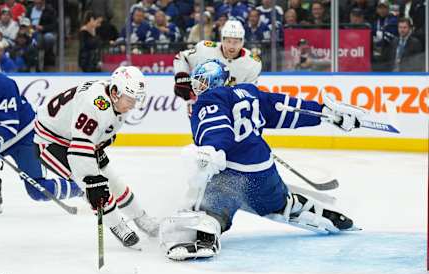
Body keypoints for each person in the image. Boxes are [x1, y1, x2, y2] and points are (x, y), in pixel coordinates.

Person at [159, 59, 363, 261]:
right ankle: (302, 208)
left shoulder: (209, 99)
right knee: (276, 202)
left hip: (235, 173)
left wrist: (213, 150)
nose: (198, 87)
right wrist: (323, 113)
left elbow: (217, 128)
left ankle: (205, 236)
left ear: (216, 81)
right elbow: (284, 109)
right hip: (265, 170)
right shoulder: (250, 91)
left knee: (213, 204)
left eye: (203, 82)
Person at [33, 66, 159, 247]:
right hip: (52, 143)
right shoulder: (95, 105)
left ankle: (140, 216)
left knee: (113, 181)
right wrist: (91, 180)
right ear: (115, 92)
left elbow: (98, 135)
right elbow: (80, 146)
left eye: (137, 99)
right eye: (130, 99)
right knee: (96, 190)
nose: (133, 104)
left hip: (77, 137)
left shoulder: (114, 101)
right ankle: (117, 225)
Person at [0, 47, 82, 215]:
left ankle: (81, 188)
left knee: (38, 191)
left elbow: (10, 123)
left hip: (25, 136)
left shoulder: (3, 85)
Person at [173, 19, 262, 104]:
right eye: (228, 41)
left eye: (236, 42)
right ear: (222, 40)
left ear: (242, 42)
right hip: (201, 102)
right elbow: (181, 57)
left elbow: (249, 93)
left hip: (231, 108)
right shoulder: (205, 49)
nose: (232, 46)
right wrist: (182, 78)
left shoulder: (253, 63)